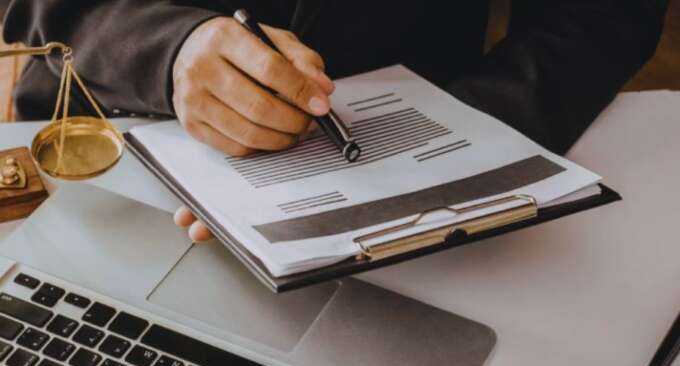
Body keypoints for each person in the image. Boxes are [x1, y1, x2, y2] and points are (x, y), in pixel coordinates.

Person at [1, 1, 668, 241]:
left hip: (420, 200)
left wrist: (456, 137)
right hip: (90, 159)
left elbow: (603, 15)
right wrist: (167, 53)